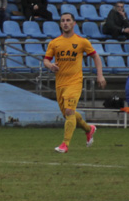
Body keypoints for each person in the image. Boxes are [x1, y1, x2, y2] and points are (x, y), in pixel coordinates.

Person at [44, 13, 105, 153]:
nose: (65, 23)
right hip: (60, 83)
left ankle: (65, 145)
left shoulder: (82, 41)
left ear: (74, 23)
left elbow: (95, 56)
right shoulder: (54, 42)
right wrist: (50, 66)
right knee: (68, 114)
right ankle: (89, 129)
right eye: (63, 21)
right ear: (60, 24)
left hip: (75, 82)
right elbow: (46, 59)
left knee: (70, 111)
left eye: (68, 20)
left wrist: (100, 75)